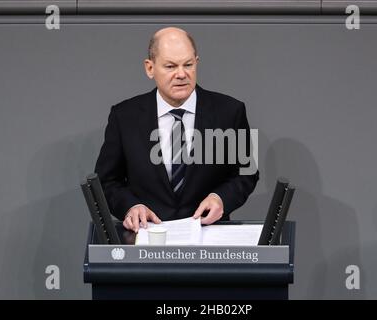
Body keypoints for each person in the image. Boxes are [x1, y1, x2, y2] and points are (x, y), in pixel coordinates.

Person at [95, 27, 259, 232]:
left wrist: (221, 198)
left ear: (197, 62)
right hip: (148, 239)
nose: (181, 74)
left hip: (209, 239)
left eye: (188, 65)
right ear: (150, 68)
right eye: (171, 66)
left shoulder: (231, 111)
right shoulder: (123, 116)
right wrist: (131, 207)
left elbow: (247, 173)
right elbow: (107, 181)